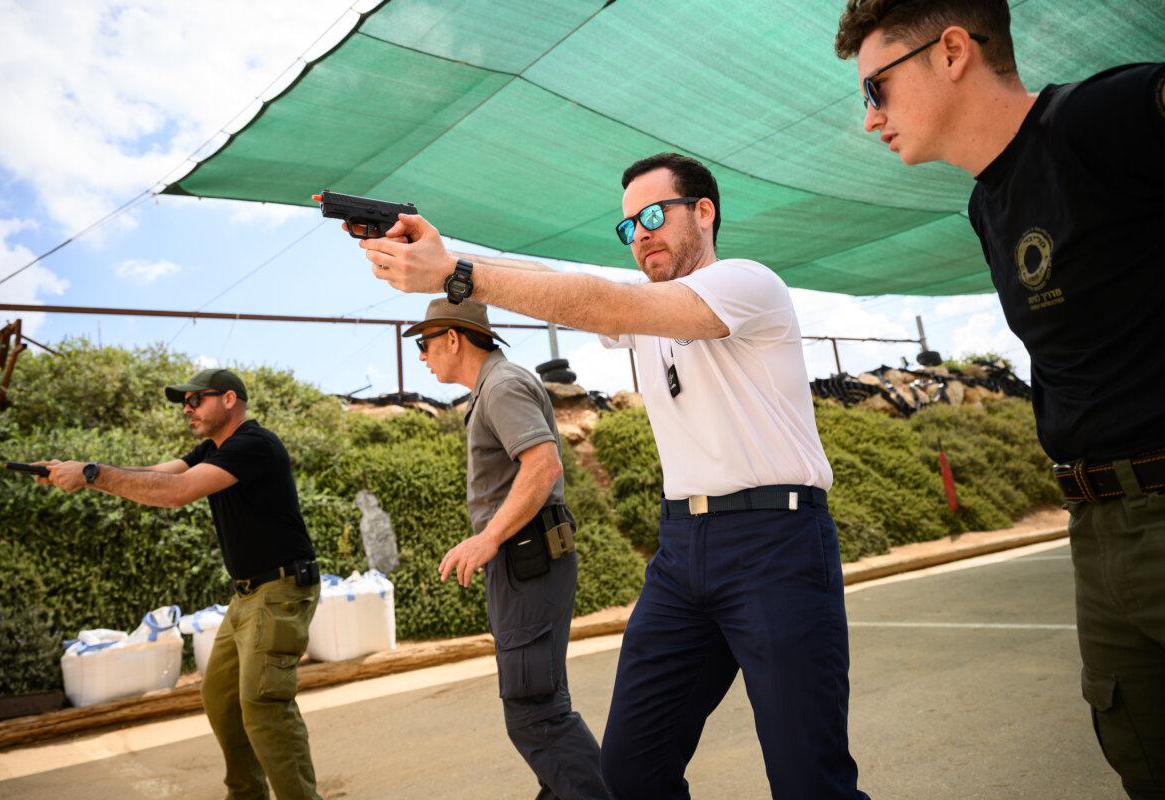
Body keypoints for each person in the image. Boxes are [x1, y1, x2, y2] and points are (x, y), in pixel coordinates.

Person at [352, 153, 869, 799]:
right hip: (682, 550)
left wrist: (456, 274)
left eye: (654, 215)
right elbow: (558, 282)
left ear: (704, 212)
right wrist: (444, 253)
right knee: (631, 772)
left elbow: (600, 303)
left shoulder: (745, 283)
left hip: (775, 541)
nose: (641, 234)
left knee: (807, 780)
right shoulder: (644, 313)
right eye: (628, 227)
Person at [834, 2, 1165, 796]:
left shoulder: (1096, 119)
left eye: (876, 88)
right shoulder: (988, 205)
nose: (870, 118)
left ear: (952, 52)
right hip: (1097, 527)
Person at [37, 367, 323, 800]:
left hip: (280, 590)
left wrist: (93, 473)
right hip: (247, 595)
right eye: (183, 402)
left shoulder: (253, 445)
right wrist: (81, 473)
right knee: (222, 697)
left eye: (196, 399)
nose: (187, 408)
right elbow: (156, 474)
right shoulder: (213, 448)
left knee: (263, 703)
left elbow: (176, 492)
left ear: (229, 399)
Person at [408, 297, 607, 800]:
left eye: (424, 343)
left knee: (536, 714)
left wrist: (488, 537)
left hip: (527, 561)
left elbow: (543, 465)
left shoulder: (501, 386)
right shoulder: (494, 387)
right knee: (540, 707)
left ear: (453, 338)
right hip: (523, 563)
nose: (422, 355)